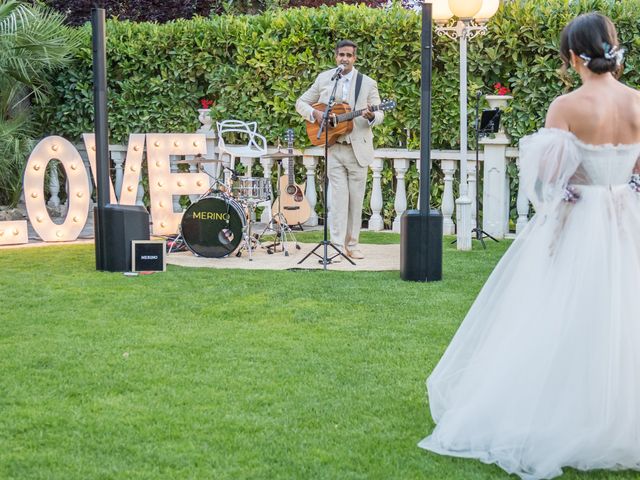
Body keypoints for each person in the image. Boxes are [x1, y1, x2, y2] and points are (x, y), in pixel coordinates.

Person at [419, 13, 640, 480]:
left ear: (573, 57)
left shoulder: (566, 107)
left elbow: (549, 184)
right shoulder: (638, 102)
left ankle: (566, 412)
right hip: (626, 217)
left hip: (583, 221)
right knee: (623, 314)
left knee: (565, 316)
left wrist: (559, 223)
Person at [296, 39, 384, 260]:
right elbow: (301, 102)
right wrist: (315, 114)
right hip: (333, 147)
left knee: (355, 200)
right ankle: (336, 244)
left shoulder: (367, 83)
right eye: (341, 55)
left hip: (357, 150)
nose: (344, 58)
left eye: (349, 55)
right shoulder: (325, 78)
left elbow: (381, 112)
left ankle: (352, 245)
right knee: (337, 199)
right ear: (336, 56)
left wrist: (372, 116)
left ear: (355, 58)